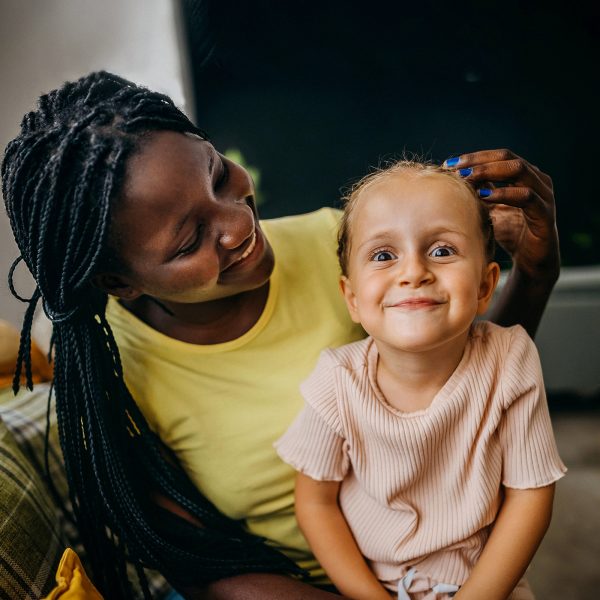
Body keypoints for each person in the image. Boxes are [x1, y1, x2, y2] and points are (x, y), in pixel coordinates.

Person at [2, 71, 561, 599]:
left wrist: (535, 273)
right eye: (191, 238)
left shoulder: (344, 242)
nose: (240, 223)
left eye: (219, 175)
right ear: (120, 282)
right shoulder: (117, 378)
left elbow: (476, 383)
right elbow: (199, 566)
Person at [275, 161, 566, 600]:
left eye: (443, 250)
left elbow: (530, 495)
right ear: (352, 298)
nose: (413, 272)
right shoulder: (338, 381)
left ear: (486, 287)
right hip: (378, 588)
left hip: (487, 584)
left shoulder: (511, 359)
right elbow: (315, 504)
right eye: (383, 255)